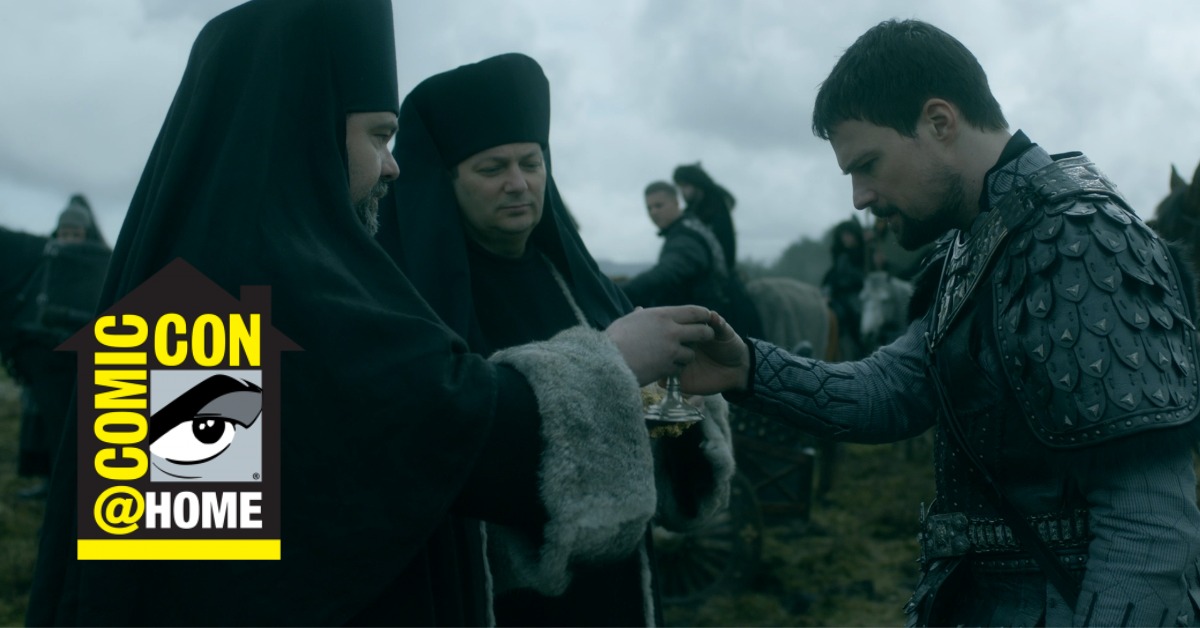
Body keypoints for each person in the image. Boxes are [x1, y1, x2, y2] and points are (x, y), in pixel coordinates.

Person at [27, 2, 720, 625]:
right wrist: (610, 363)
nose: (392, 167)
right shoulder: (200, 318)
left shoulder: (245, 278)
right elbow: (199, 580)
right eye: (379, 137)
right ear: (305, 130)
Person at [680, 19, 1200, 627]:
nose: (859, 197)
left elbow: (1148, 529)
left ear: (939, 122)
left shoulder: (1079, 239)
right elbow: (889, 391)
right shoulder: (975, 241)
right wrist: (746, 366)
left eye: (868, 164)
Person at [374, 53, 733, 627]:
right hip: (504, 602)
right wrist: (607, 367)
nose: (518, 183)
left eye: (531, 162)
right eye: (492, 168)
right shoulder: (414, 300)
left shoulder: (582, 284)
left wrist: (678, 404)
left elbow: (656, 420)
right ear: (446, 180)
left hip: (617, 593)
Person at [5, 194, 110, 495]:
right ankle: (51, 482)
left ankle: (72, 491)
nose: (69, 240)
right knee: (43, 423)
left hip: (80, 363)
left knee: (73, 427)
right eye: (64, 233)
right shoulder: (46, 263)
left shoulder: (98, 264)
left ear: (86, 234)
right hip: (46, 356)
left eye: (75, 234)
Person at [623, 181, 764, 341]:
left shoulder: (686, 237)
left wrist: (621, 293)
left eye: (659, 205)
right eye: (649, 208)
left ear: (676, 203)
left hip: (715, 326)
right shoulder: (690, 226)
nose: (653, 212)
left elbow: (667, 273)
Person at [673, 163, 739, 274]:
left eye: (685, 185)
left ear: (696, 183)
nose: (682, 191)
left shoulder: (715, 207)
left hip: (717, 273)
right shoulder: (692, 210)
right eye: (680, 187)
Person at [820, 218, 867, 353]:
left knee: (855, 316)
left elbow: (861, 277)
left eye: (848, 234)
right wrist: (827, 293)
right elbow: (832, 277)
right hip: (838, 297)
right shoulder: (841, 256)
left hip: (857, 295)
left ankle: (861, 347)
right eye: (843, 235)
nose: (845, 238)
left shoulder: (864, 254)